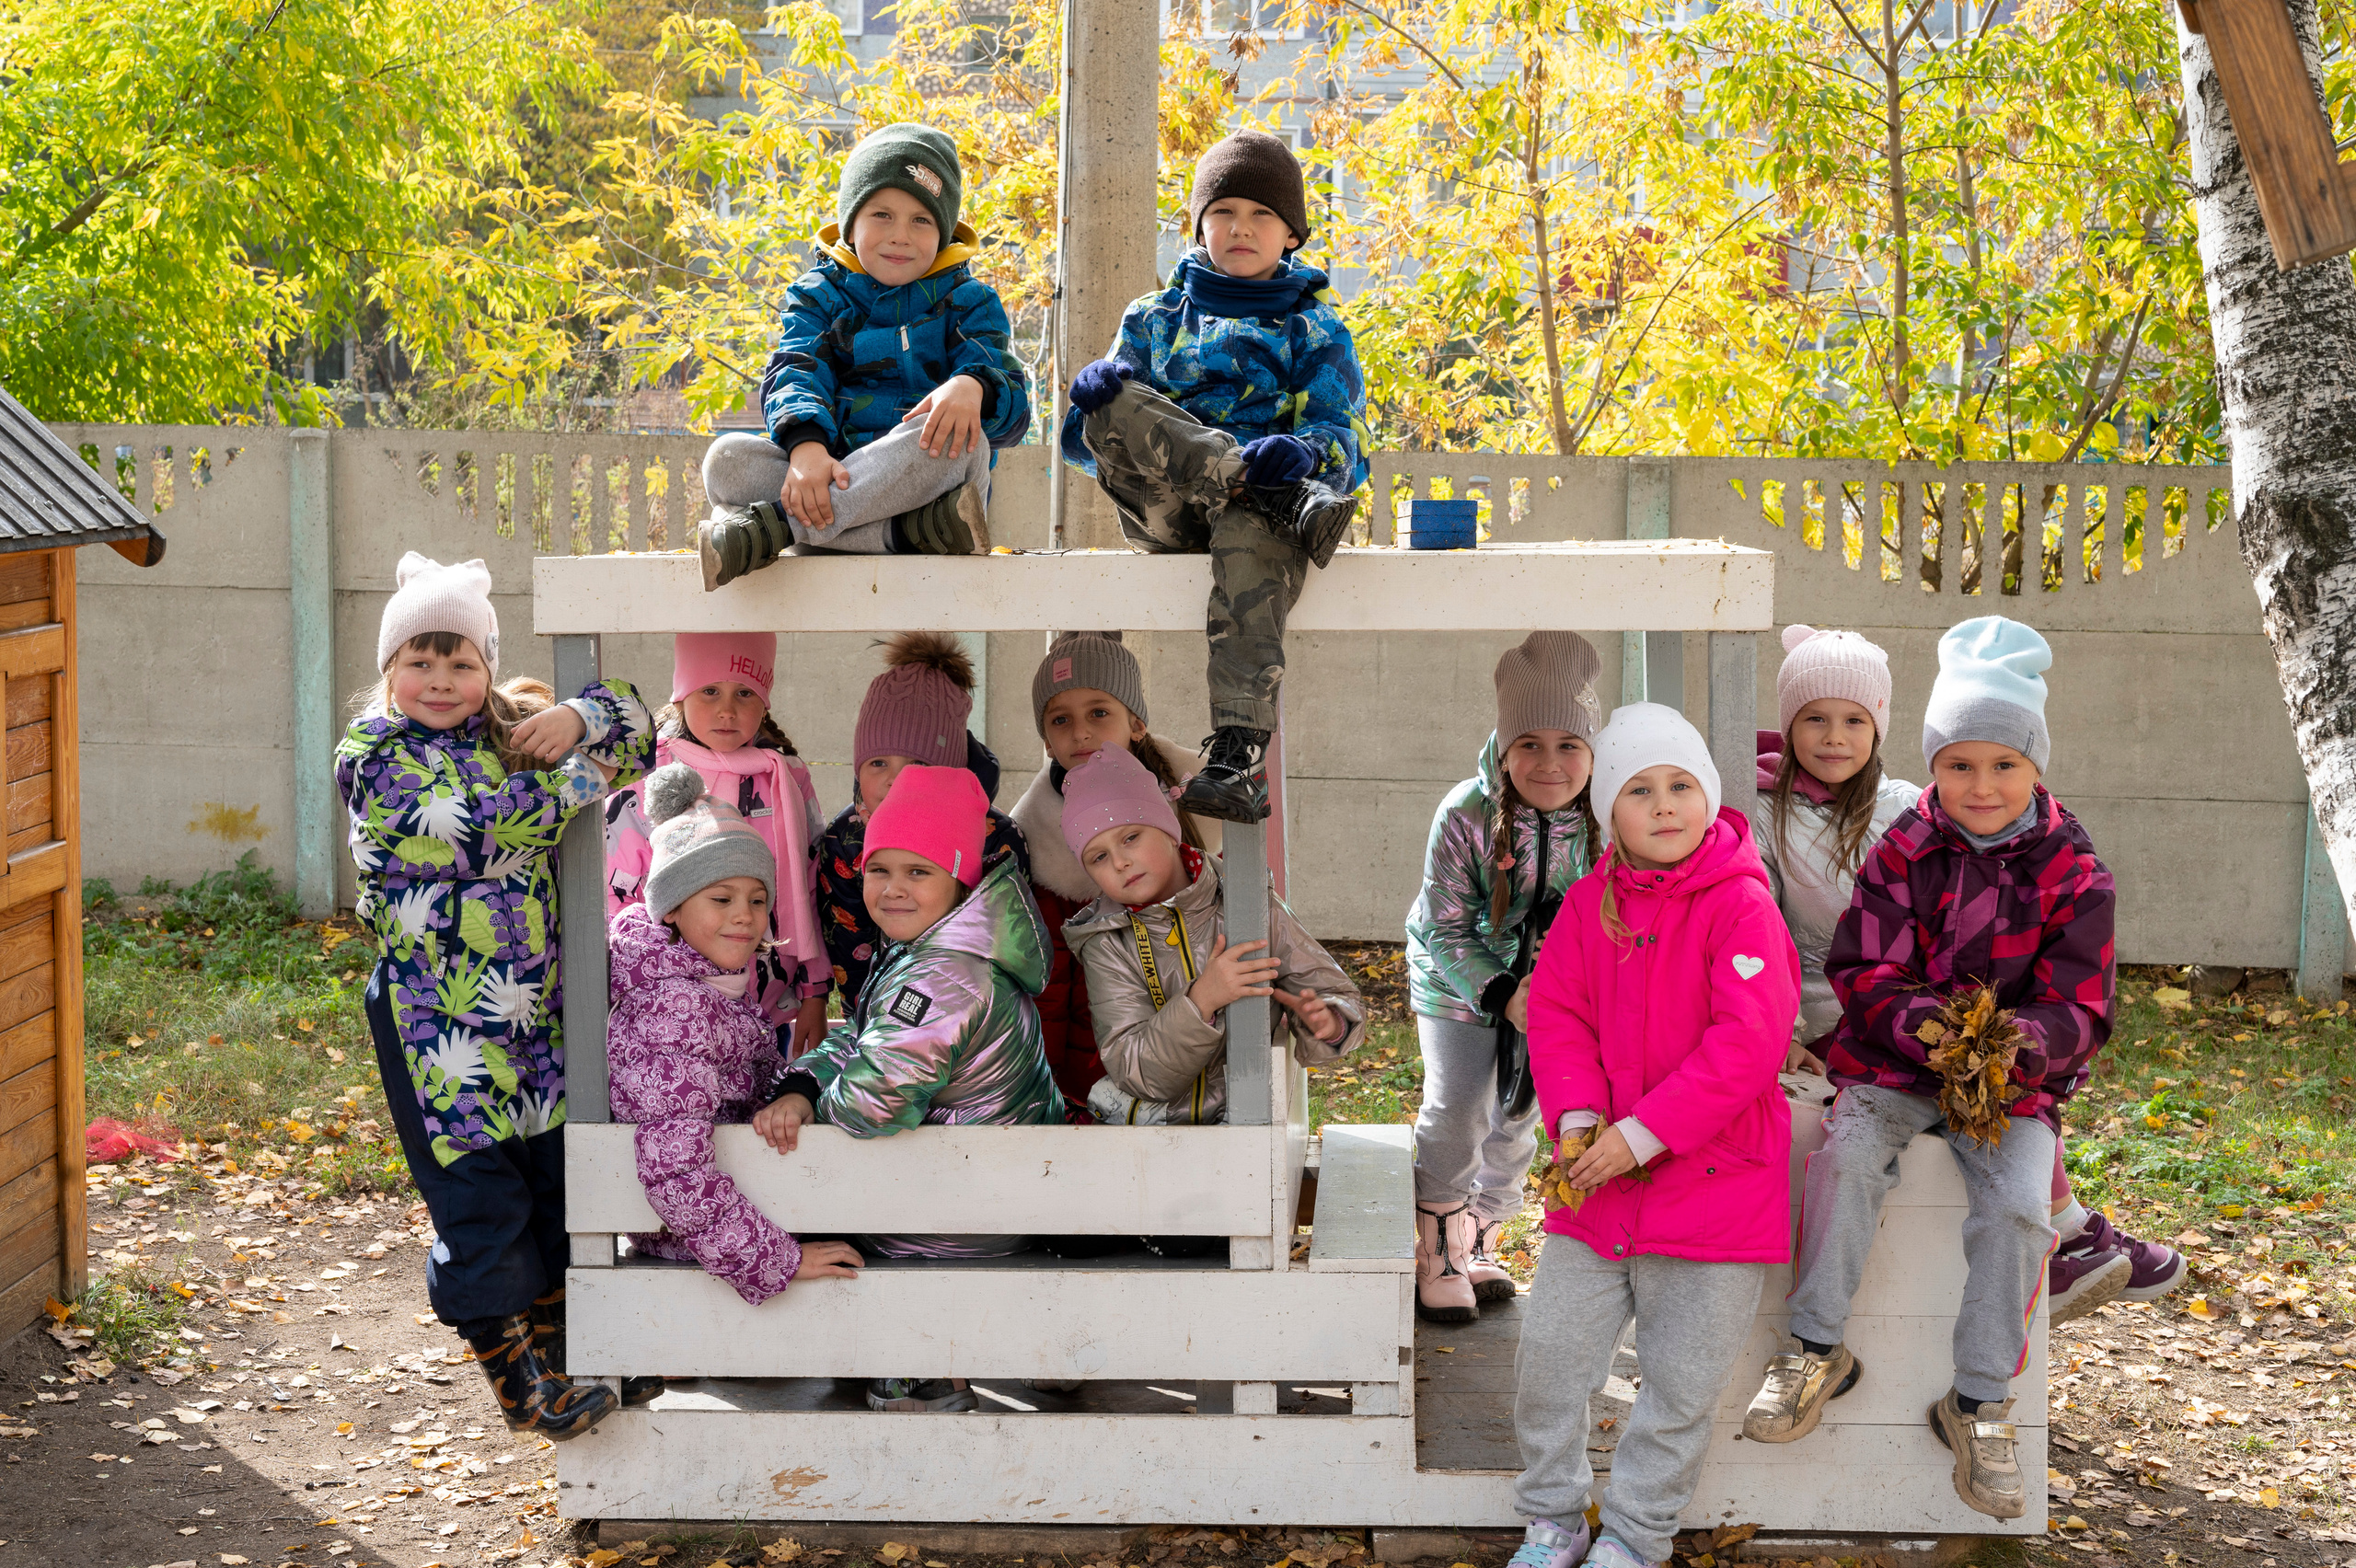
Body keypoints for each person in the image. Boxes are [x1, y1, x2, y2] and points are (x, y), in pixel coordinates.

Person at [1739, 616, 2114, 1521]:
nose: (1978, 786)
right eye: (1957, 764)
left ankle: (1978, 1400)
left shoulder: (2074, 871)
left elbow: (2082, 1005)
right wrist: (1933, 1034)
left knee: (2019, 1211)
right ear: (1933, 765)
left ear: (2035, 769)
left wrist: (2011, 1045)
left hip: (2009, 1086)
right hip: (1895, 1065)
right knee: (1845, 1158)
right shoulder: (1904, 845)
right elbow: (1862, 968)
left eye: (2002, 765)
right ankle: (1814, 1347)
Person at [1753, 624, 2182, 1325]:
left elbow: (2056, 992)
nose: (1835, 737)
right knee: (1870, 1136)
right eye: (1814, 719)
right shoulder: (1780, 818)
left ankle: (2067, 1236)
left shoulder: (1903, 809)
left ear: (1882, 727)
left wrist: (1992, 1043)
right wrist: (1787, 1031)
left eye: (1855, 719)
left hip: (1914, 1017)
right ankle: (2074, 1234)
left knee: (2004, 1088)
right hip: (1837, 1015)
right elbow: (1764, 930)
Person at [336, 553, 652, 1440]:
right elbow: (470, 832)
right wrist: (578, 779)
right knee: (479, 1194)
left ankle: (563, 1355)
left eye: (461, 662)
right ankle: (517, 1379)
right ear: (389, 669)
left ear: (486, 667)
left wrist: (574, 715)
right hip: (436, 1021)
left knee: (549, 1181)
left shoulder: (504, 732)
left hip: (531, 1017)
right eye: (419, 661)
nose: (440, 680)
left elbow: (643, 731)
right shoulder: (372, 756)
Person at [1512, 703, 1800, 1568]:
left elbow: (1747, 1043)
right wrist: (1576, 1118)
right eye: (1641, 789)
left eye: (1683, 785)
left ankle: (1635, 1538)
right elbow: (1558, 1014)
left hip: (1714, 1190)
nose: (1666, 804)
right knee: (1550, 1361)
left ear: (1710, 797)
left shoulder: (1742, 905)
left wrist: (1641, 1135)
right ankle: (1552, 1516)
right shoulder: (1589, 905)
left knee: (1679, 1388)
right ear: (1609, 812)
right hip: (1599, 1189)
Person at [1061, 128, 1371, 824]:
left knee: (1252, 525)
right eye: (1224, 211)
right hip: (1165, 504)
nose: (1241, 227)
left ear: (1291, 235)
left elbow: (1343, 440)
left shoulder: (1314, 329)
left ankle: (1236, 755)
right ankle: (1263, 488)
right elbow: (1089, 445)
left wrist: (1303, 454)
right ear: (1195, 225)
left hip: (1256, 523)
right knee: (1111, 398)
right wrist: (1097, 391)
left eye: (1263, 215)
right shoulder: (1152, 318)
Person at [755, 763, 1061, 1412]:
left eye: (918, 872)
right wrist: (807, 1082)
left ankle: (919, 1378)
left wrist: (823, 1099)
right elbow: (863, 1037)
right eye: (878, 870)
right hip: (981, 1193)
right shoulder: (936, 949)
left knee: (777, 1198)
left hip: (950, 1219)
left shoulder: (942, 979)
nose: (892, 889)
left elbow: (869, 1107)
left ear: (958, 879)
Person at [699, 122, 1032, 584]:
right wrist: (807, 447)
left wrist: (974, 385)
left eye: (921, 220)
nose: (901, 235)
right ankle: (903, 534)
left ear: (943, 232)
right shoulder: (818, 296)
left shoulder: (969, 302)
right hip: (827, 471)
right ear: (850, 224)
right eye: (881, 215)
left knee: (961, 449)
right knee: (725, 462)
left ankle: (774, 529)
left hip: (922, 479)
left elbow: (1015, 408)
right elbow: (796, 368)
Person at [606, 767, 863, 1341]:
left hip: (727, 1218)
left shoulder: (709, 987)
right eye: (721, 898)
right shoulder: (676, 1012)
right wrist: (778, 1259)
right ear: (670, 907)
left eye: (756, 898)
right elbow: (676, 1168)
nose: (745, 916)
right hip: (703, 1242)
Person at [1403, 631, 1604, 1323]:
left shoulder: (1602, 817)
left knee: (1519, 1114)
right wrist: (1502, 991)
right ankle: (1437, 1243)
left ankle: (1483, 1231)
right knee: (1462, 1105)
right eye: (1530, 744)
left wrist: (1552, 992)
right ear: (1504, 743)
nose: (1549, 764)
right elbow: (1443, 924)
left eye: (1569, 745)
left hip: (1549, 990)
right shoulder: (1466, 813)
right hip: (1459, 980)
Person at [1060, 745, 1362, 1125]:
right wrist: (1201, 1000)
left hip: (1247, 1119)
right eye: (1098, 857)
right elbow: (1135, 1069)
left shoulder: (1246, 902)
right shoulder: (1106, 943)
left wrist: (1328, 1022)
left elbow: (1333, 989)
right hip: (1150, 1136)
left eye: (1131, 837)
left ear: (1169, 830)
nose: (1119, 861)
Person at [1009, 632, 1219, 1116]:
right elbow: (1050, 988)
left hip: (1204, 1068)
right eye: (1061, 719)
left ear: (1137, 722)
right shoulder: (1037, 848)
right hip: (1089, 1080)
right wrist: (1055, 1093)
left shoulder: (1201, 806)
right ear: (1045, 739)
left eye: (1098, 712)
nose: (1081, 732)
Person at [606, 633, 830, 1056]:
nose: (727, 710)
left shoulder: (787, 776)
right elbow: (619, 897)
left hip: (767, 1004)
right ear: (681, 695)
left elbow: (808, 885)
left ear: (765, 701)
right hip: (668, 1009)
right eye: (709, 691)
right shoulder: (645, 771)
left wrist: (815, 993)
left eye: (745, 693)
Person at [812, 630, 1030, 1013]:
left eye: (919, 765)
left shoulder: (996, 839)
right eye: (878, 763)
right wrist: (870, 1030)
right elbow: (850, 949)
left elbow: (1010, 947)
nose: (896, 780)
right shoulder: (845, 839)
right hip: (879, 1019)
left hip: (976, 1017)